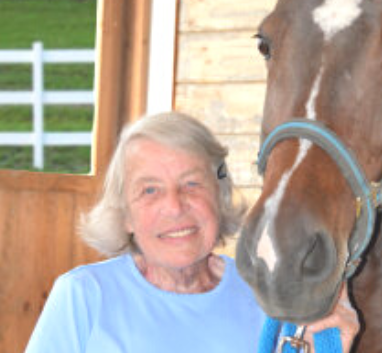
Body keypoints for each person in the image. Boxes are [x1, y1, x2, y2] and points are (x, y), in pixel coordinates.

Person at [25, 111, 359, 352]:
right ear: (125, 215)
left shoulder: (267, 299)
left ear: (220, 196)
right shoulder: (84, 296)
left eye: (192, 184)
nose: (174, 206)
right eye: (150, 190)